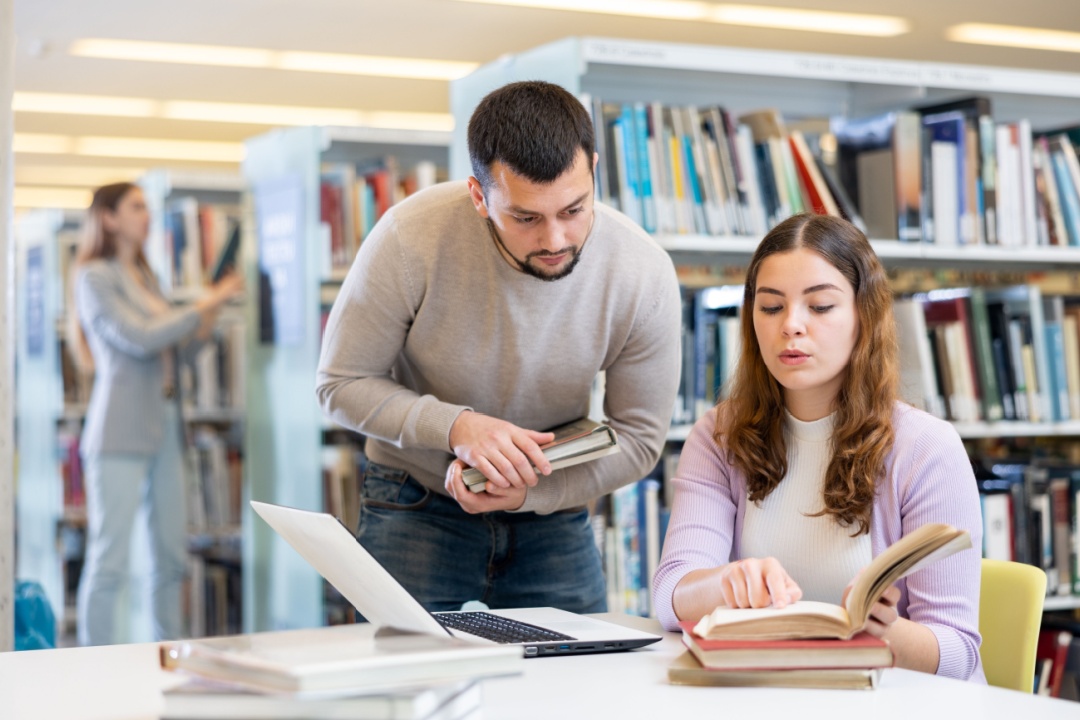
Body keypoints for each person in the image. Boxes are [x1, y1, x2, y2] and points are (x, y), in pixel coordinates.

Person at [316, 81, 682, 613]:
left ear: (595, 170)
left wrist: (534, 493)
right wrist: (457, 427)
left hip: (554, 514)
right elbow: (338, 384)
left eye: (575, 209)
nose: (555, 239)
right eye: (527, 218)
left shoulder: (643, 273)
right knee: (408, 685)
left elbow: (642, 439)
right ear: (478, 195)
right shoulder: (409, 238)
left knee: (577, 687)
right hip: (415, 503)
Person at [652, 213, 985, 682]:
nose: (791, 326)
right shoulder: (719, 436)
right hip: (771, 696)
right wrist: (721, 583)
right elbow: (670, 597)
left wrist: (884, 632)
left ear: (863, 316)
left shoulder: (928, 448)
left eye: (820, 307)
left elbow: (957, 654)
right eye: (771, 308)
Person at [71, 182, 243, 645]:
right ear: (108, 218)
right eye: (136, 207)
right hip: (119, 432)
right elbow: (139, 337)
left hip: (169, 427)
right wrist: (201, 304)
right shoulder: (94, 277)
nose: (146, 216)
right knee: (111, 559)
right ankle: (93, 660)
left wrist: (207, 320)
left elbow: (176, 355)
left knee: (169, 556)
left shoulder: (147, 280)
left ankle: (169, 655)